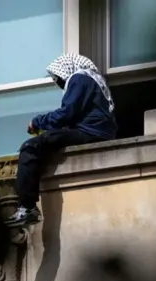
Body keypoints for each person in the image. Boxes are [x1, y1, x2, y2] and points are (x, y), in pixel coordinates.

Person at [8, 53, 118, 225]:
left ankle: (27, 207)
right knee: (49, 139)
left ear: (65, 70)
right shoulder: (94, 79)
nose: (57, 83)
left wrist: (38, 122)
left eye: (57, 78)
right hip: (98, 132)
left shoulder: (79, 78)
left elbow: (66, 113)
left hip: (90, 132)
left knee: (31, 146)